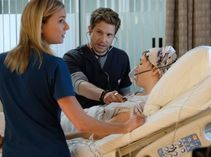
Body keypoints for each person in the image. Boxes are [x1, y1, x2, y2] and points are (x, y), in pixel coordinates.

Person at [0, 1, 144, 157]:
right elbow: (81, 123)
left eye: (109, 35)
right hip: (51, 152)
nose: (66, 26)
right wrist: (125, 126)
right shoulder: (55, 65)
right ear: (40, 25)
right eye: (61, 20)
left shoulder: (2, 62)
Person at [62, 46, 177, 140]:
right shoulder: (136, 96)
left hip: (69, 126)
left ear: (155, 70)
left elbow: (96, 134)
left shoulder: (140, 106)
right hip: (72, 116)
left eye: (141, 63)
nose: (136, 68)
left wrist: (62, 138)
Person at [63, 7, 132, 109]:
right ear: (90, 30)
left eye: (109, 35)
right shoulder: (72, 57)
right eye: (99, 32)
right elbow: (79, 85)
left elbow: (125, 92)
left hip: (113, 115)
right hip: (83, 115)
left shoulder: (121, 57)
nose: (103, 40)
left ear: (114, 36)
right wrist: (104, 95)